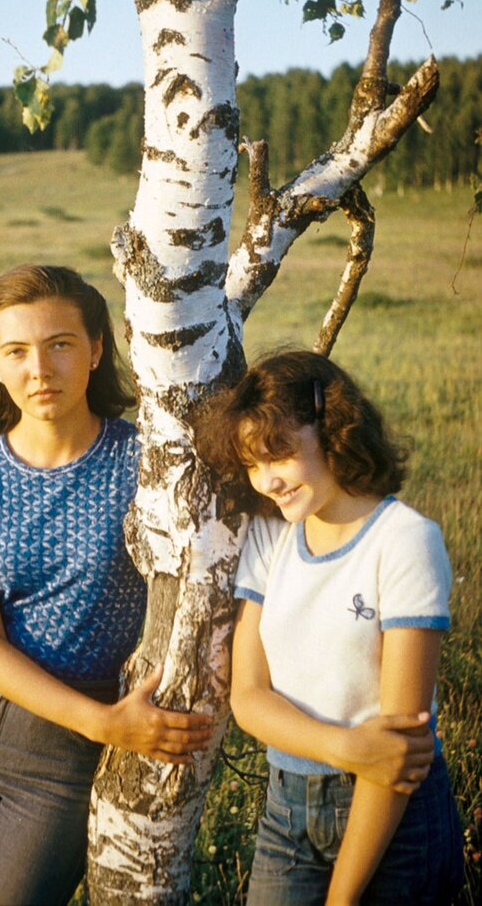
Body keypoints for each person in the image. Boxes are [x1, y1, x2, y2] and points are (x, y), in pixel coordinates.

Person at [0, 264, 213, 906]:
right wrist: (107, 725)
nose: (40, 369)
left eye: (60, 344)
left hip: (59, 759)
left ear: (96, 350)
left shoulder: (146, 465)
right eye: (17, 351)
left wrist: (104, 726)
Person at [197, 350, 463, 906]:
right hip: (286, 808)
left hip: (395, 816)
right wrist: (348, 747)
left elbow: (397, 752)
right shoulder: (271, 536)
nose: (267, 480)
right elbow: (248, 699)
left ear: (332, 428)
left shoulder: (405, 540)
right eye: (252, 463)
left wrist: (341, 899)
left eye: (281, 453)